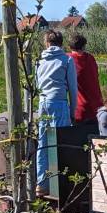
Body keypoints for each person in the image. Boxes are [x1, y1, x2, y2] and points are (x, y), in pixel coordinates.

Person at [35, 30, 78, 194]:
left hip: (42, 102)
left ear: (46, 43)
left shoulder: (39, 62)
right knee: (60, 142)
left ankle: (42, 184)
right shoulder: (66, 60)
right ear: (61, 43)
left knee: (43, 142)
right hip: (59, 103)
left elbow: (37, 85)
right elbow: (73, 89)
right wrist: (73, 111)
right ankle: (58, 185)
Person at [68, 33, 104, 125]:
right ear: (84, 46)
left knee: (79, 137)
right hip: (97, 107)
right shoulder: (91, 58)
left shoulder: (69, 59)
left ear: (70, 47)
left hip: (80, 109)